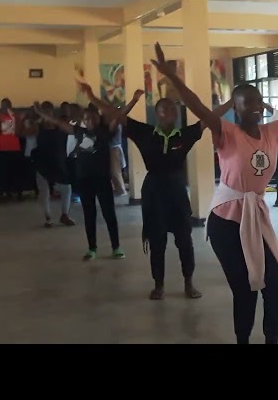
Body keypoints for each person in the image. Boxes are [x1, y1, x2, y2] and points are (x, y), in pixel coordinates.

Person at [149, 42, 278, 344]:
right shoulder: (225, 132)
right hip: (226, 221)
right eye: (248, 103)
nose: (257, 107)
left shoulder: (272, 132)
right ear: (236, 107)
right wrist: (173, 79)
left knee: (274, 286)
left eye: (259, 101)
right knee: (245, 289)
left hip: (255, 216)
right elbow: (196, 106)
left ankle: (271, 339)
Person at [78, 81, 206, 300]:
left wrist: (232, 102)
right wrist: (92, 96)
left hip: (176, 190)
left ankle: (188, 282)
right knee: (157, 241)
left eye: (173, 109)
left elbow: (210, 119)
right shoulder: (144, 132)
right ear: (157, 114)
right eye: (165, 110)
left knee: (185, 239)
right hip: (154, 191)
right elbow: (112, 113)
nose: (170, 113)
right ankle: (159, 284)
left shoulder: (184, 135)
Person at [33, 102, 129, 260]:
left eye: (93, 118)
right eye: (87, 118)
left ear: (98, 119)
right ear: (83, 120)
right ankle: (92, 248)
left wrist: (133, 100)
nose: (90, 120)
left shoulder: (105, 132)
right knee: (89, 214)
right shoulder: (78, 131)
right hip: (85, 179)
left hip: (102, 179)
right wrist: (40, 112)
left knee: (109, 214)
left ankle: (116, 247)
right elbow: (57, 122)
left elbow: (119, 116)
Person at [30, 101, 75, 228]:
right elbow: (28, 131)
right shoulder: (38, 127)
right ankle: (48, 217)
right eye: (45, 113)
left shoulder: (59, 126)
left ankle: (64, 215)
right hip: (43, 163)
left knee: (67, 188)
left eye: (49, 114)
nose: (47, 117)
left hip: (58, 163)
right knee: (44, 191)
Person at [0, 98, 24, 200]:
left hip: (14, 147)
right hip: (2, 147)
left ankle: (16, 191)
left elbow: (18, 133)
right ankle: (4, 191)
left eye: (6, 105)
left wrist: (16, 119)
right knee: (3, 171)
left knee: (15, 171)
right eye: (2, 105)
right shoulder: (0, 116)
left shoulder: (16, 116)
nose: (4, 107)